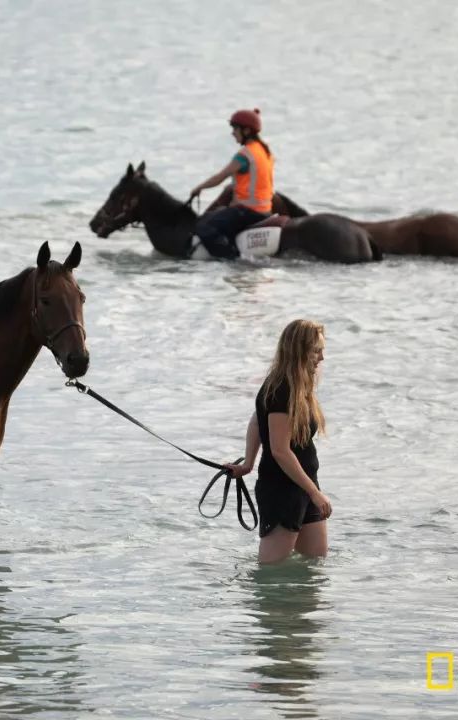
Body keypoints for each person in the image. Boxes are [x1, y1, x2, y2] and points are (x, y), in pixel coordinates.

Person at [227, 319, 332, 563]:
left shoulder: (297, 386)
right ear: (299, 351)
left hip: (304, 484)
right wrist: (315, 493)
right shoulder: (281, 389)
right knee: (271, 573)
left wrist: (248, 464)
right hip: (282, 489)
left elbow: (256, 420)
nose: (322, 358)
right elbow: (280, 450)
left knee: (314, 566)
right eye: (316, 351)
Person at [188, 108, 275, 259]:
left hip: (248, 211)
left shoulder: (245, 154)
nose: (232, 133)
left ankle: (231, 259)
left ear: (246, 131)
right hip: (265, 210)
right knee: (213, 216)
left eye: (235, 128)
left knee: (204, 227)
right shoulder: (265, 151)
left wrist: (198, 188)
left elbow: (219, 177)